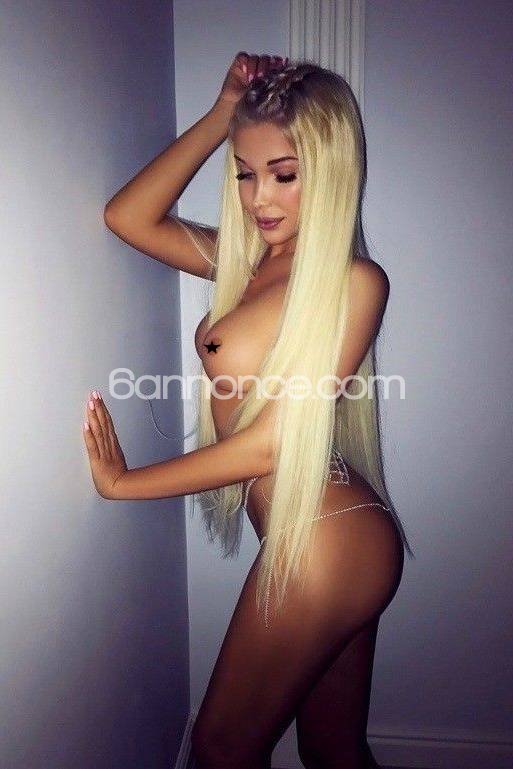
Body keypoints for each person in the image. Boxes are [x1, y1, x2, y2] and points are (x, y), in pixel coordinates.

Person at [83, 52, 414, 769]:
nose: (259, 197)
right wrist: (221, 114)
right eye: (244, 172)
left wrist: (124, 482)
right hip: (323, 539)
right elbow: (127, 217)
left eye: (284, 174)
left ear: (329, 172)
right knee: (332, 750)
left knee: (220, 749)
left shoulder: (353, 280)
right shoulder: (249, 265)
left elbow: (271, 444)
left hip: (329, 542)